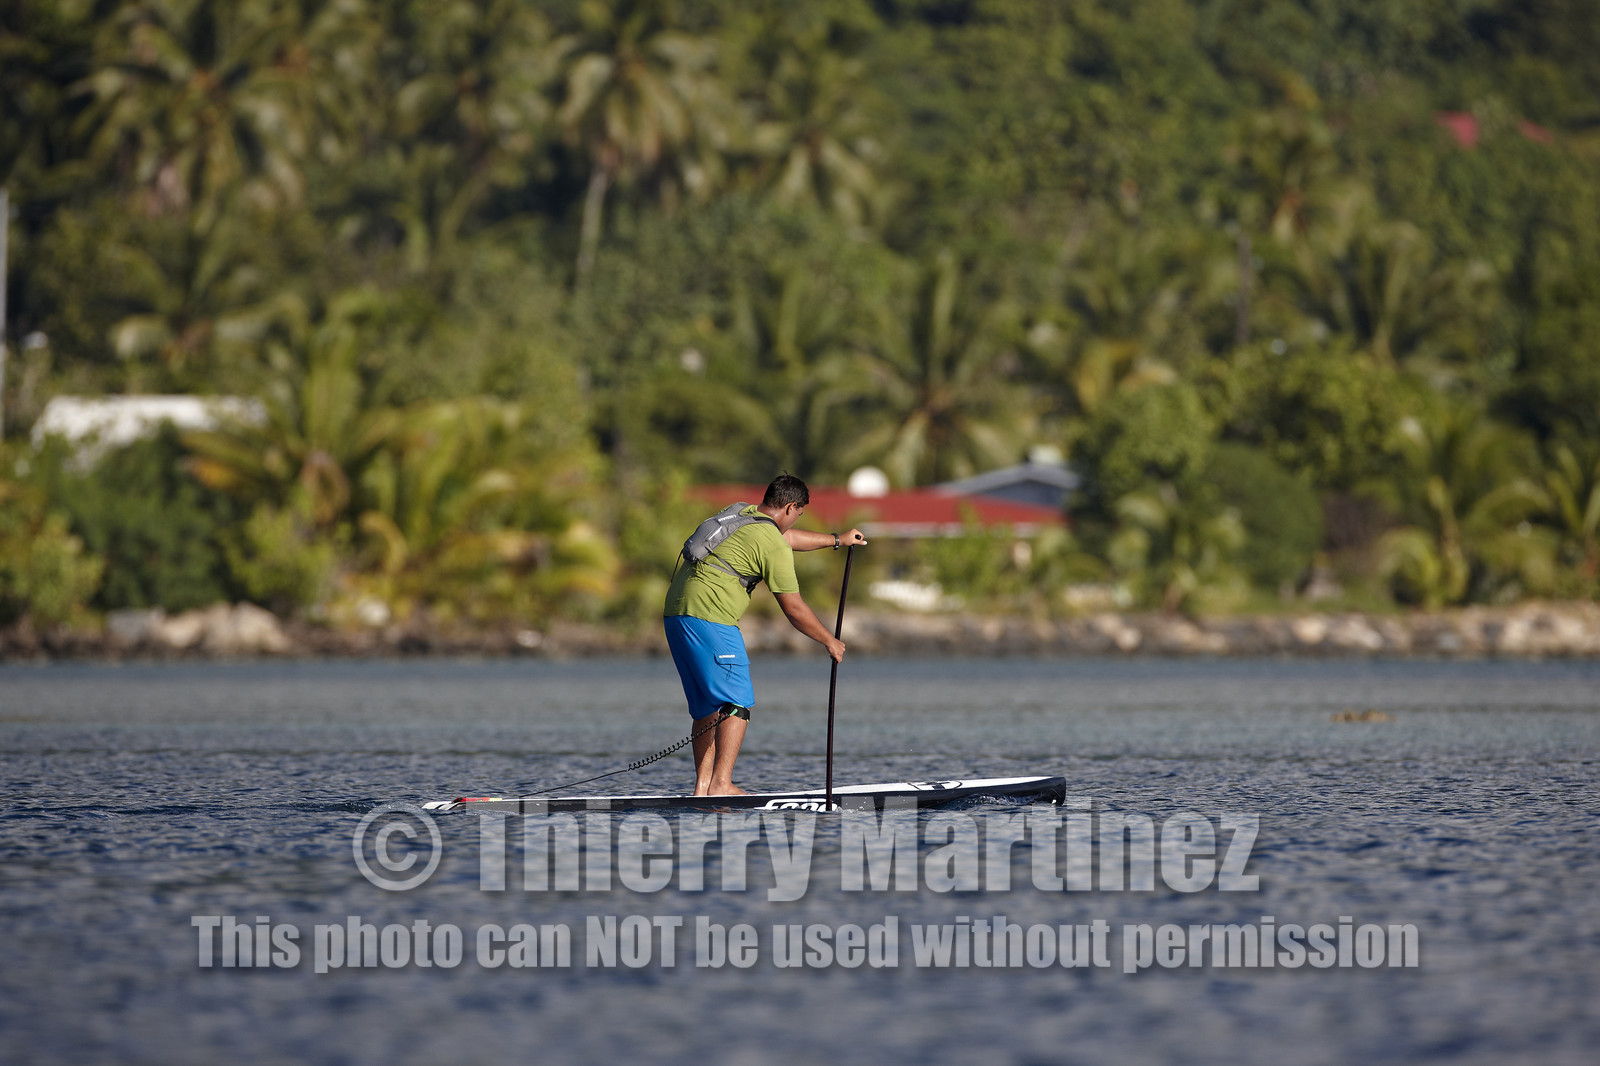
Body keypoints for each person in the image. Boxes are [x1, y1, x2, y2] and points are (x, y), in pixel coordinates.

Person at [664, 474, 867, 796]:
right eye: (798, 514)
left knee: (706, 707)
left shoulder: (742, 514)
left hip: (677, 616)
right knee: (736, 702)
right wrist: (830, 640)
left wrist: (837, 540)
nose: (796, 520)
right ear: (790, 507)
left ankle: (702, 787)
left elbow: (787, 539)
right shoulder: (770, 542)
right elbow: (794, 608)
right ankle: (721, 784)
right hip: (712, 620)